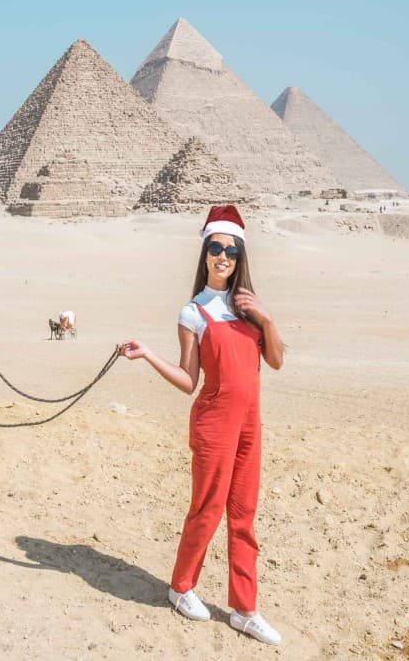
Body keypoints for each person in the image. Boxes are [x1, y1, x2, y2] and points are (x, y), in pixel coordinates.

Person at [116, 205, 285, 645]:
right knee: (208, 509)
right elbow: (188, 380)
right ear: (205, 253)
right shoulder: (193, 312)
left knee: (244, 516)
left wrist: (266, 318)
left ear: (240, 256)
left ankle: (245, 610)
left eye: (230, 250)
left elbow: (276, 361)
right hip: (213, 424)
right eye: (215, 249)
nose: (222, 257)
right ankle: (181, 586)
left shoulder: (248, 307)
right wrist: (149, 354)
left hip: (250, 425)